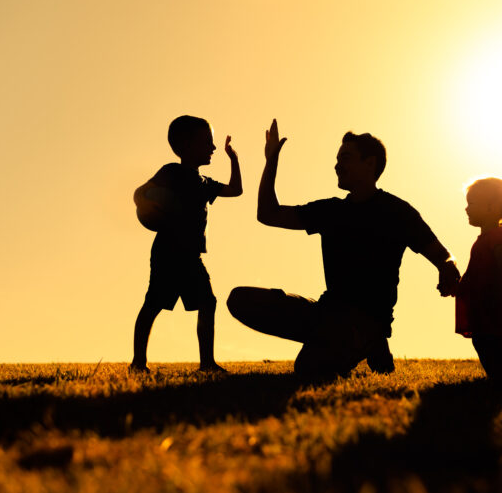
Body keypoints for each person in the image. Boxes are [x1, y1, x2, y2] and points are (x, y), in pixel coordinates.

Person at [227, 119, 460, 380]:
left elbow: (441, 253)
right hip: (328, 313)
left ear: (370, 163)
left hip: (368, 318)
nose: (337, 165)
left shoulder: (397, 211)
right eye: (337, 159)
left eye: (346, 158)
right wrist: (272, 161)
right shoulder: (331, 211)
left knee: (308, 369)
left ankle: (370, 340)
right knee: (240, 299)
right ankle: (360, 345)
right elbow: (268, 214)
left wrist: (446, 267)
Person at [130, 115, 242, 373]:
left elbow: (236, 190)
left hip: (191, 256)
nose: (213, 148)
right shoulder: (171, 172)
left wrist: (233, 159)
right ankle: (137, 363)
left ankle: (207, 364)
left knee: (207, 302)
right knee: (153, 304)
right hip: (168, 252)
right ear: (186, 145)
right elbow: (139, 191)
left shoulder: (204, 184)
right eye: (207, 142)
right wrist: (143, 203)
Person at [456, 177, 502, 382]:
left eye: (472, 204)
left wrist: (496, 293)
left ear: (492, 207)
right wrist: (460, 287)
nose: (466, 209)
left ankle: (501, 378)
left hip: (496, 297)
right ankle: (495, 377)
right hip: (484, 298)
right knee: (482, 339)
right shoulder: (485, 239)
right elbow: (476, 271)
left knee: (492, 340)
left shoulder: (498, 238)